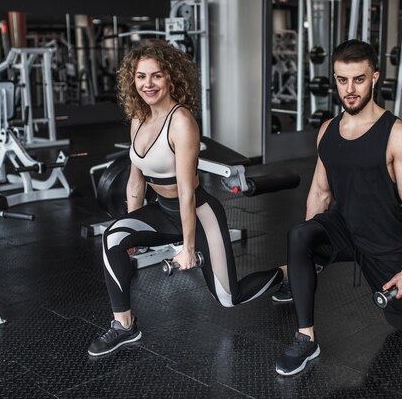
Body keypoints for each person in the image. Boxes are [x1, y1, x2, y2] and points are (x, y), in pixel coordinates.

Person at [88, 40, 286, 357]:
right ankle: (124, 325)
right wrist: (133, 225)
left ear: (172, 78)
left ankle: (287, 274)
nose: (147, 84)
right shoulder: (138, 119)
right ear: (132, 80)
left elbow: (185, 191)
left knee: (228, 297)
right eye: (140, 76)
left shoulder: (181, 122)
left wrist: (188, 248)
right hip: (164, 212)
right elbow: (135, 181)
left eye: (156, 76)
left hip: (199, 213)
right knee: (114, 236)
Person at [274, 39, 402, 376]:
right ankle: (306, 337)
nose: (349, 90)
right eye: (342, 80)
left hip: (381, 236)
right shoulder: (328, 130)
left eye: (358, 79)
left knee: (401, 315)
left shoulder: (398, 136)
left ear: (375, 78)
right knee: (299, 235)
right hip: (343, 225)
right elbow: (320, 193)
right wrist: (310, 252)